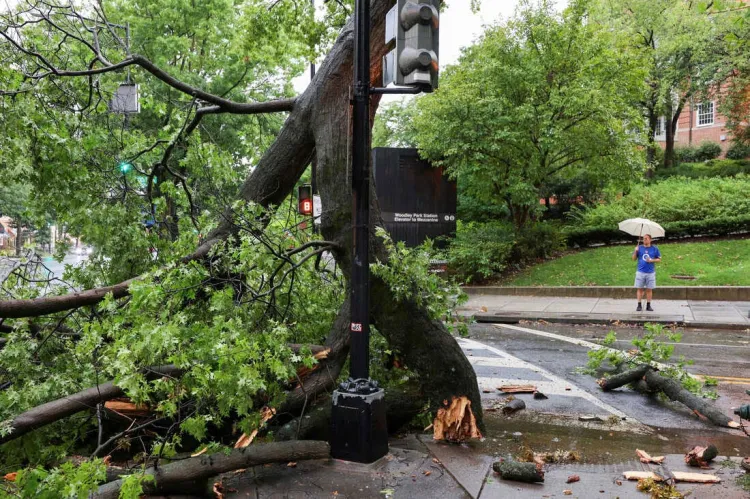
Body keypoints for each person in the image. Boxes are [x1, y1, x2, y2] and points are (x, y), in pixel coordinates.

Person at [632, 234, 661, 311]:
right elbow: (634, 259)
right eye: (643, 239)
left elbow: (659, 259)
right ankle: (639, 305)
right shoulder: (639, 248)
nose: (644, 240)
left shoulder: (654, 248)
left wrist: (651, 260)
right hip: (640, 272)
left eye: (646, 238)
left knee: (649, 289)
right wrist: (635, 251)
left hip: (650, 272)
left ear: (650, 240)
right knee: (639, 289)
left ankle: (648, 305)